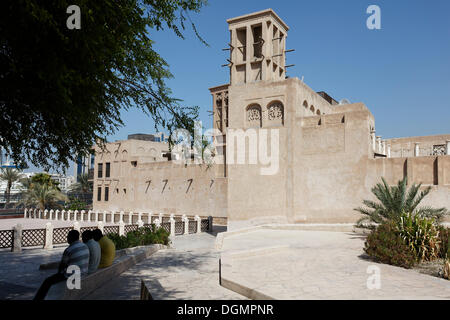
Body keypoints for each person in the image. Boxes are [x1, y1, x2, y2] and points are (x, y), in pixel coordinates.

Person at [34, 230, 90, 300]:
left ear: (71, 238)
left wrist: (59, 274)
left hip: (73, 276)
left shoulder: (69, 250)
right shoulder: (85, 246)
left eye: (68, 237)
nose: (67, 238)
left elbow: (62, 266)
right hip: (84, 273)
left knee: (47, 281)